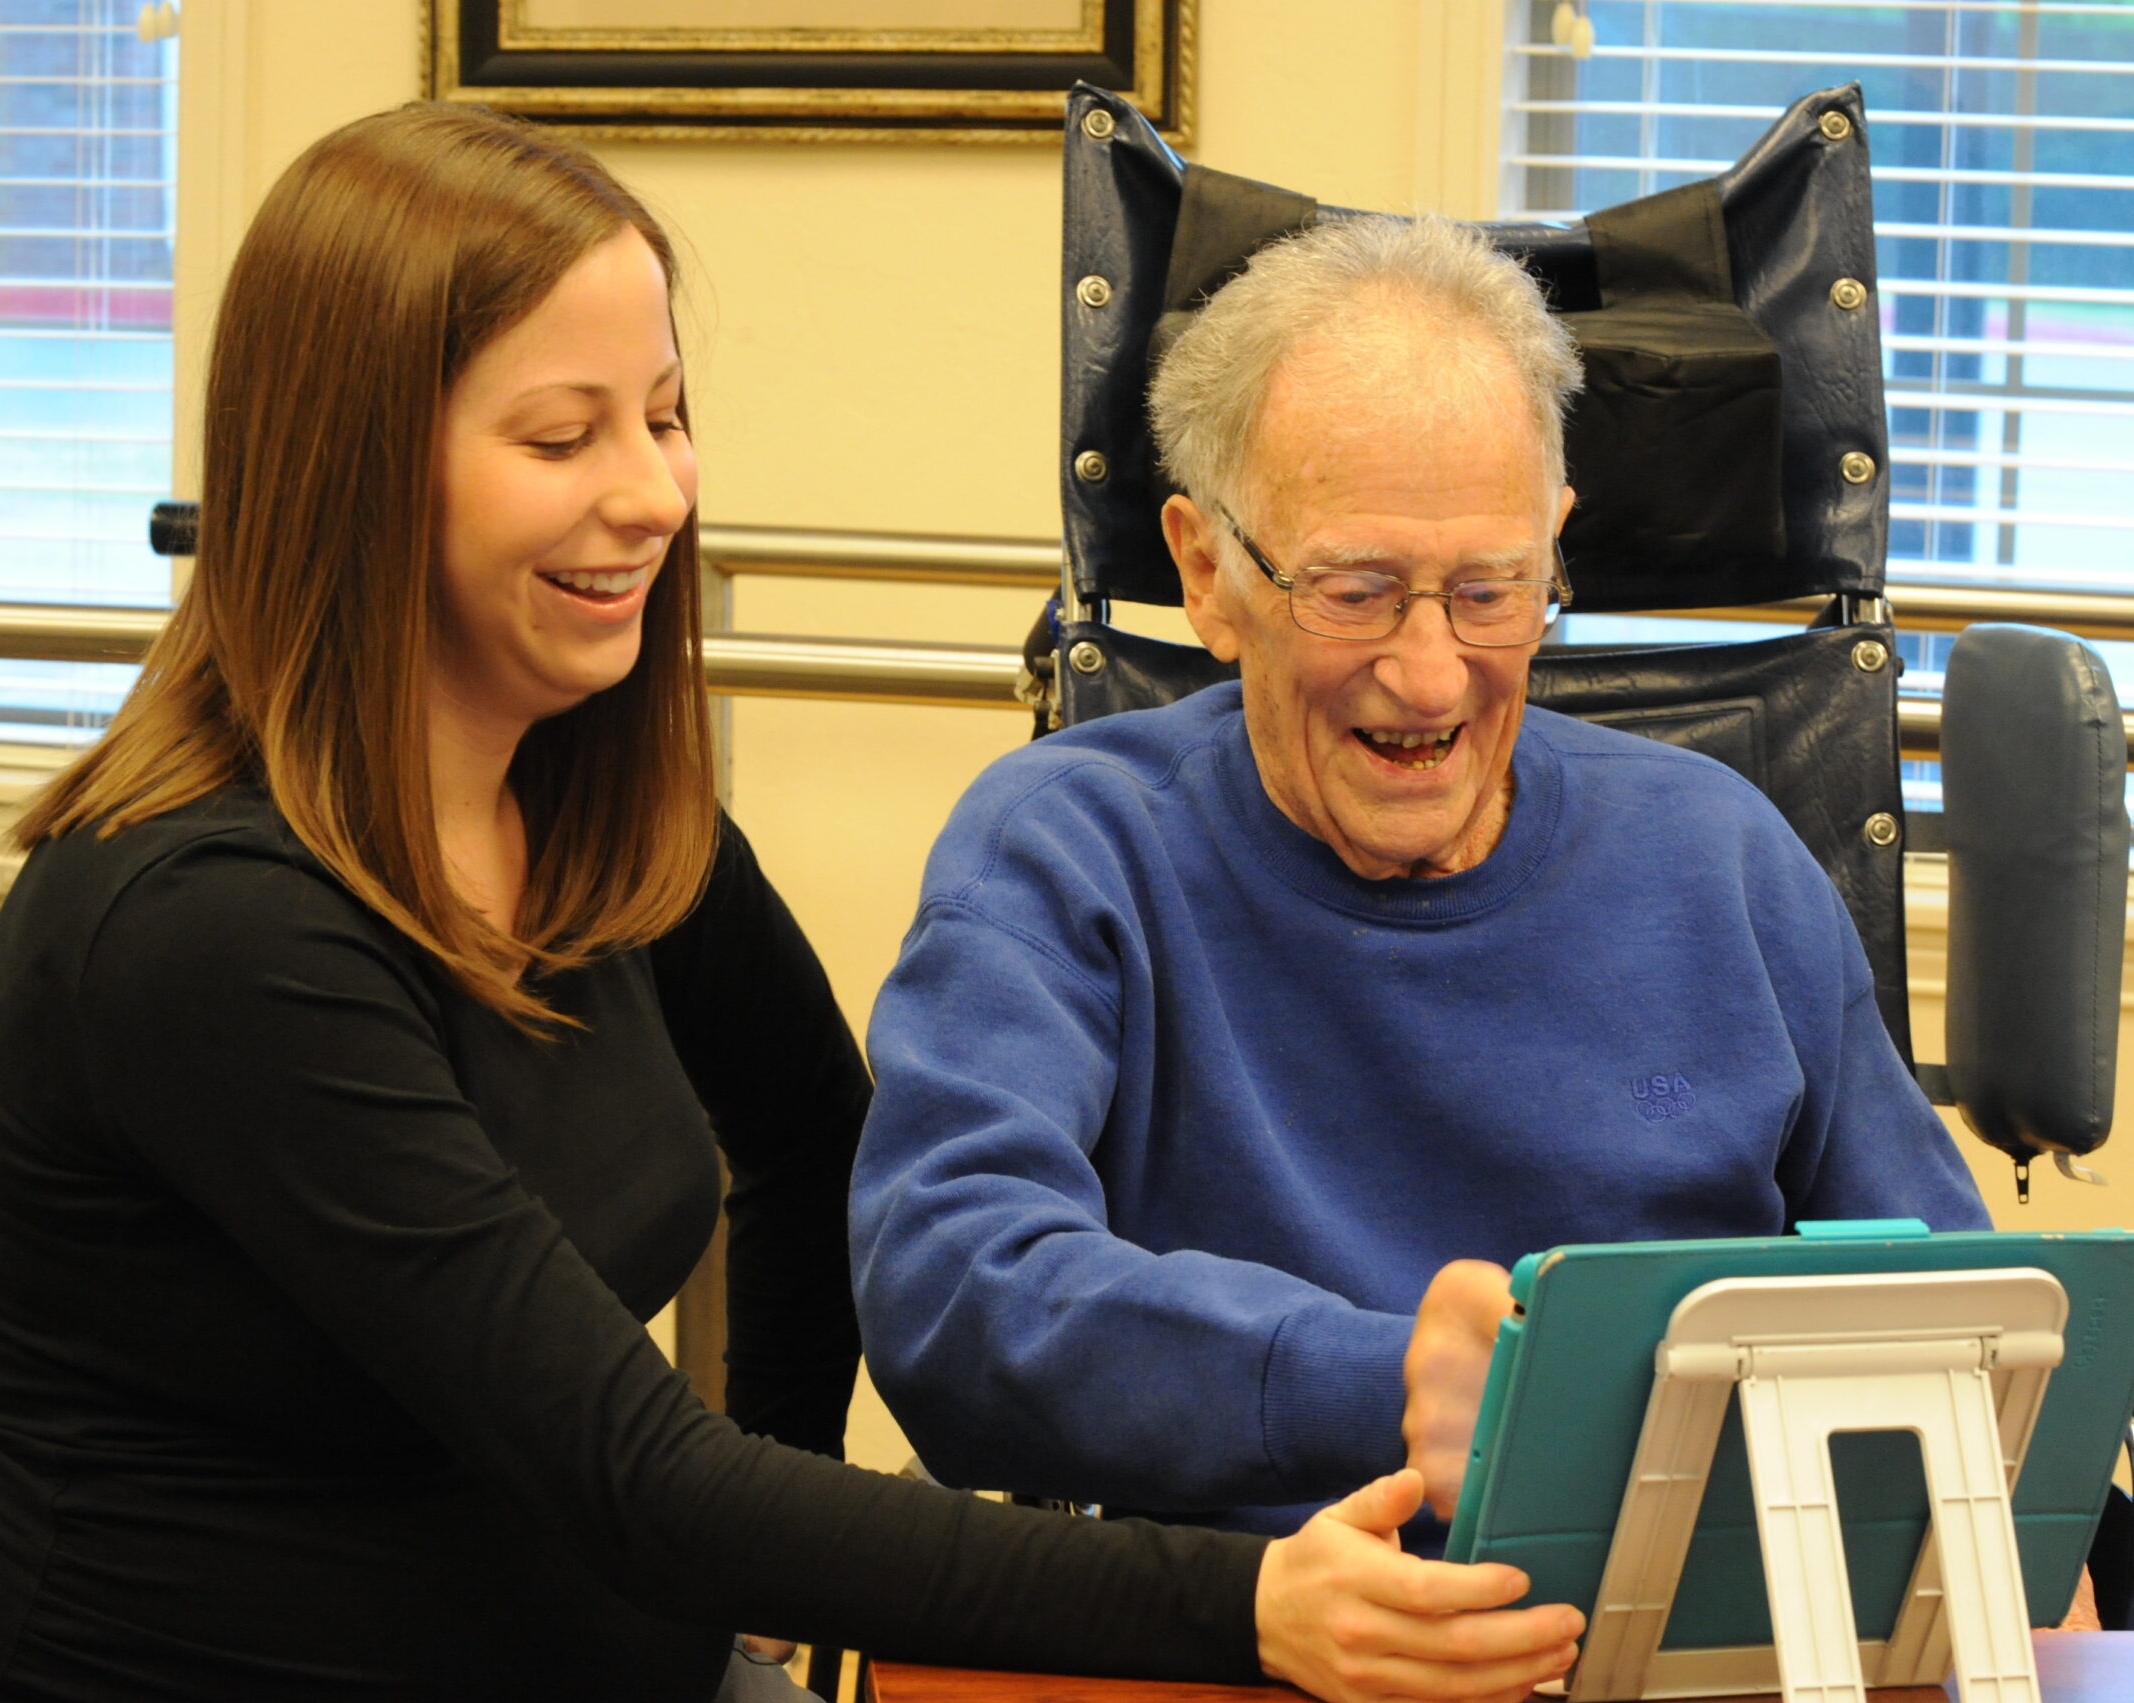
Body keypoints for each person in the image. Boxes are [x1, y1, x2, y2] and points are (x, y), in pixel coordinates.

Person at [0, 107, 1590, 1703]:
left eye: (667, 414)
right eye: (564, 434)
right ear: (358, 468)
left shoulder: (599, 808)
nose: (654, 492)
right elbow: (641, 1481)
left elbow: (820, 1150)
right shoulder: (207, 929)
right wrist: (1243, 1604)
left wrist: (764, 1537)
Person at [848, 214, 1992, 1555]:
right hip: (1257, 1635)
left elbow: (1953, 1312)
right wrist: (1383, 1386)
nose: (1433, 672)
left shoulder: (1725, 857)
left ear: (1556, 543)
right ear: (1208, 574)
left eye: (1492, 589)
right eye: (1359, 590)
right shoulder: (1070, 850)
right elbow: (950, 1298)